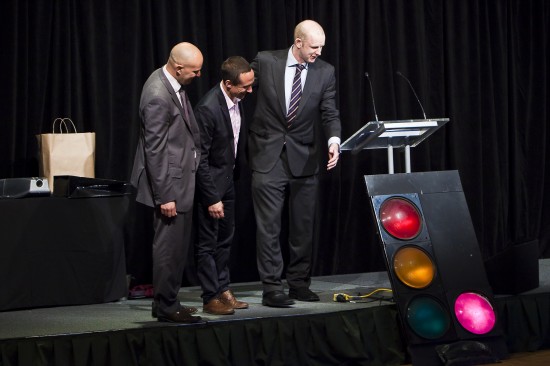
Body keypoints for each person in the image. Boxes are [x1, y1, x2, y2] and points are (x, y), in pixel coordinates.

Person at [249, 20, 342, 307]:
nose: (319, 52)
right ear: (298, 42)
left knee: (303, 227)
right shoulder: (265, 61)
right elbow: (239, 88)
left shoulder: (325, 72)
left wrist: (334, 142)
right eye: (314, 47)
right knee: (269, 228)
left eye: (322, 46)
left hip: (304, 157)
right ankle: (271, 288)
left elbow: (329, 112)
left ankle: (299, 283)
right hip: (268, 155)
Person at [130, 42, 204, 323]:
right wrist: (165, 196)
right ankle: (165, 306)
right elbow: (155, 149)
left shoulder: (169, 82)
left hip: (178, 179)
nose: (198, 76)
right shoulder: (158, 94)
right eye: (195, 71)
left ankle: (168, 300)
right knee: (168, 248)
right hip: (168, 185)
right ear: (178, 67)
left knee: (176, 248)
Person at [194, 56, 254, 315]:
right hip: (211, 188)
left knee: (225, 240)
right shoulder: (207, 108)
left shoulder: (236, 100)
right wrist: (211, 198)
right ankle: (210, 297)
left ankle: (223, 288)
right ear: (228, 84)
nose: (250, 91)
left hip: (229, 182)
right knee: (207, 243)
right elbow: (200, 159)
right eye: (245, 87)